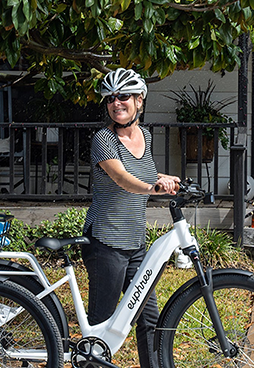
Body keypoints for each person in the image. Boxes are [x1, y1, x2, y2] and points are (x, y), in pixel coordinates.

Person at [82, 68, 182, 368]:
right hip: (106, 243)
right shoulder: (103, 139)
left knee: (148, 319)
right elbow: (122, 178)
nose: (116, 103)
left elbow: (143, 173)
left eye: (123, 96)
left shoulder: (144, 135)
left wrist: (167, 179)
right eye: (111, 98)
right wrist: (155, 188)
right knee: (102, 322)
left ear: (140, 99)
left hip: (137, 244)